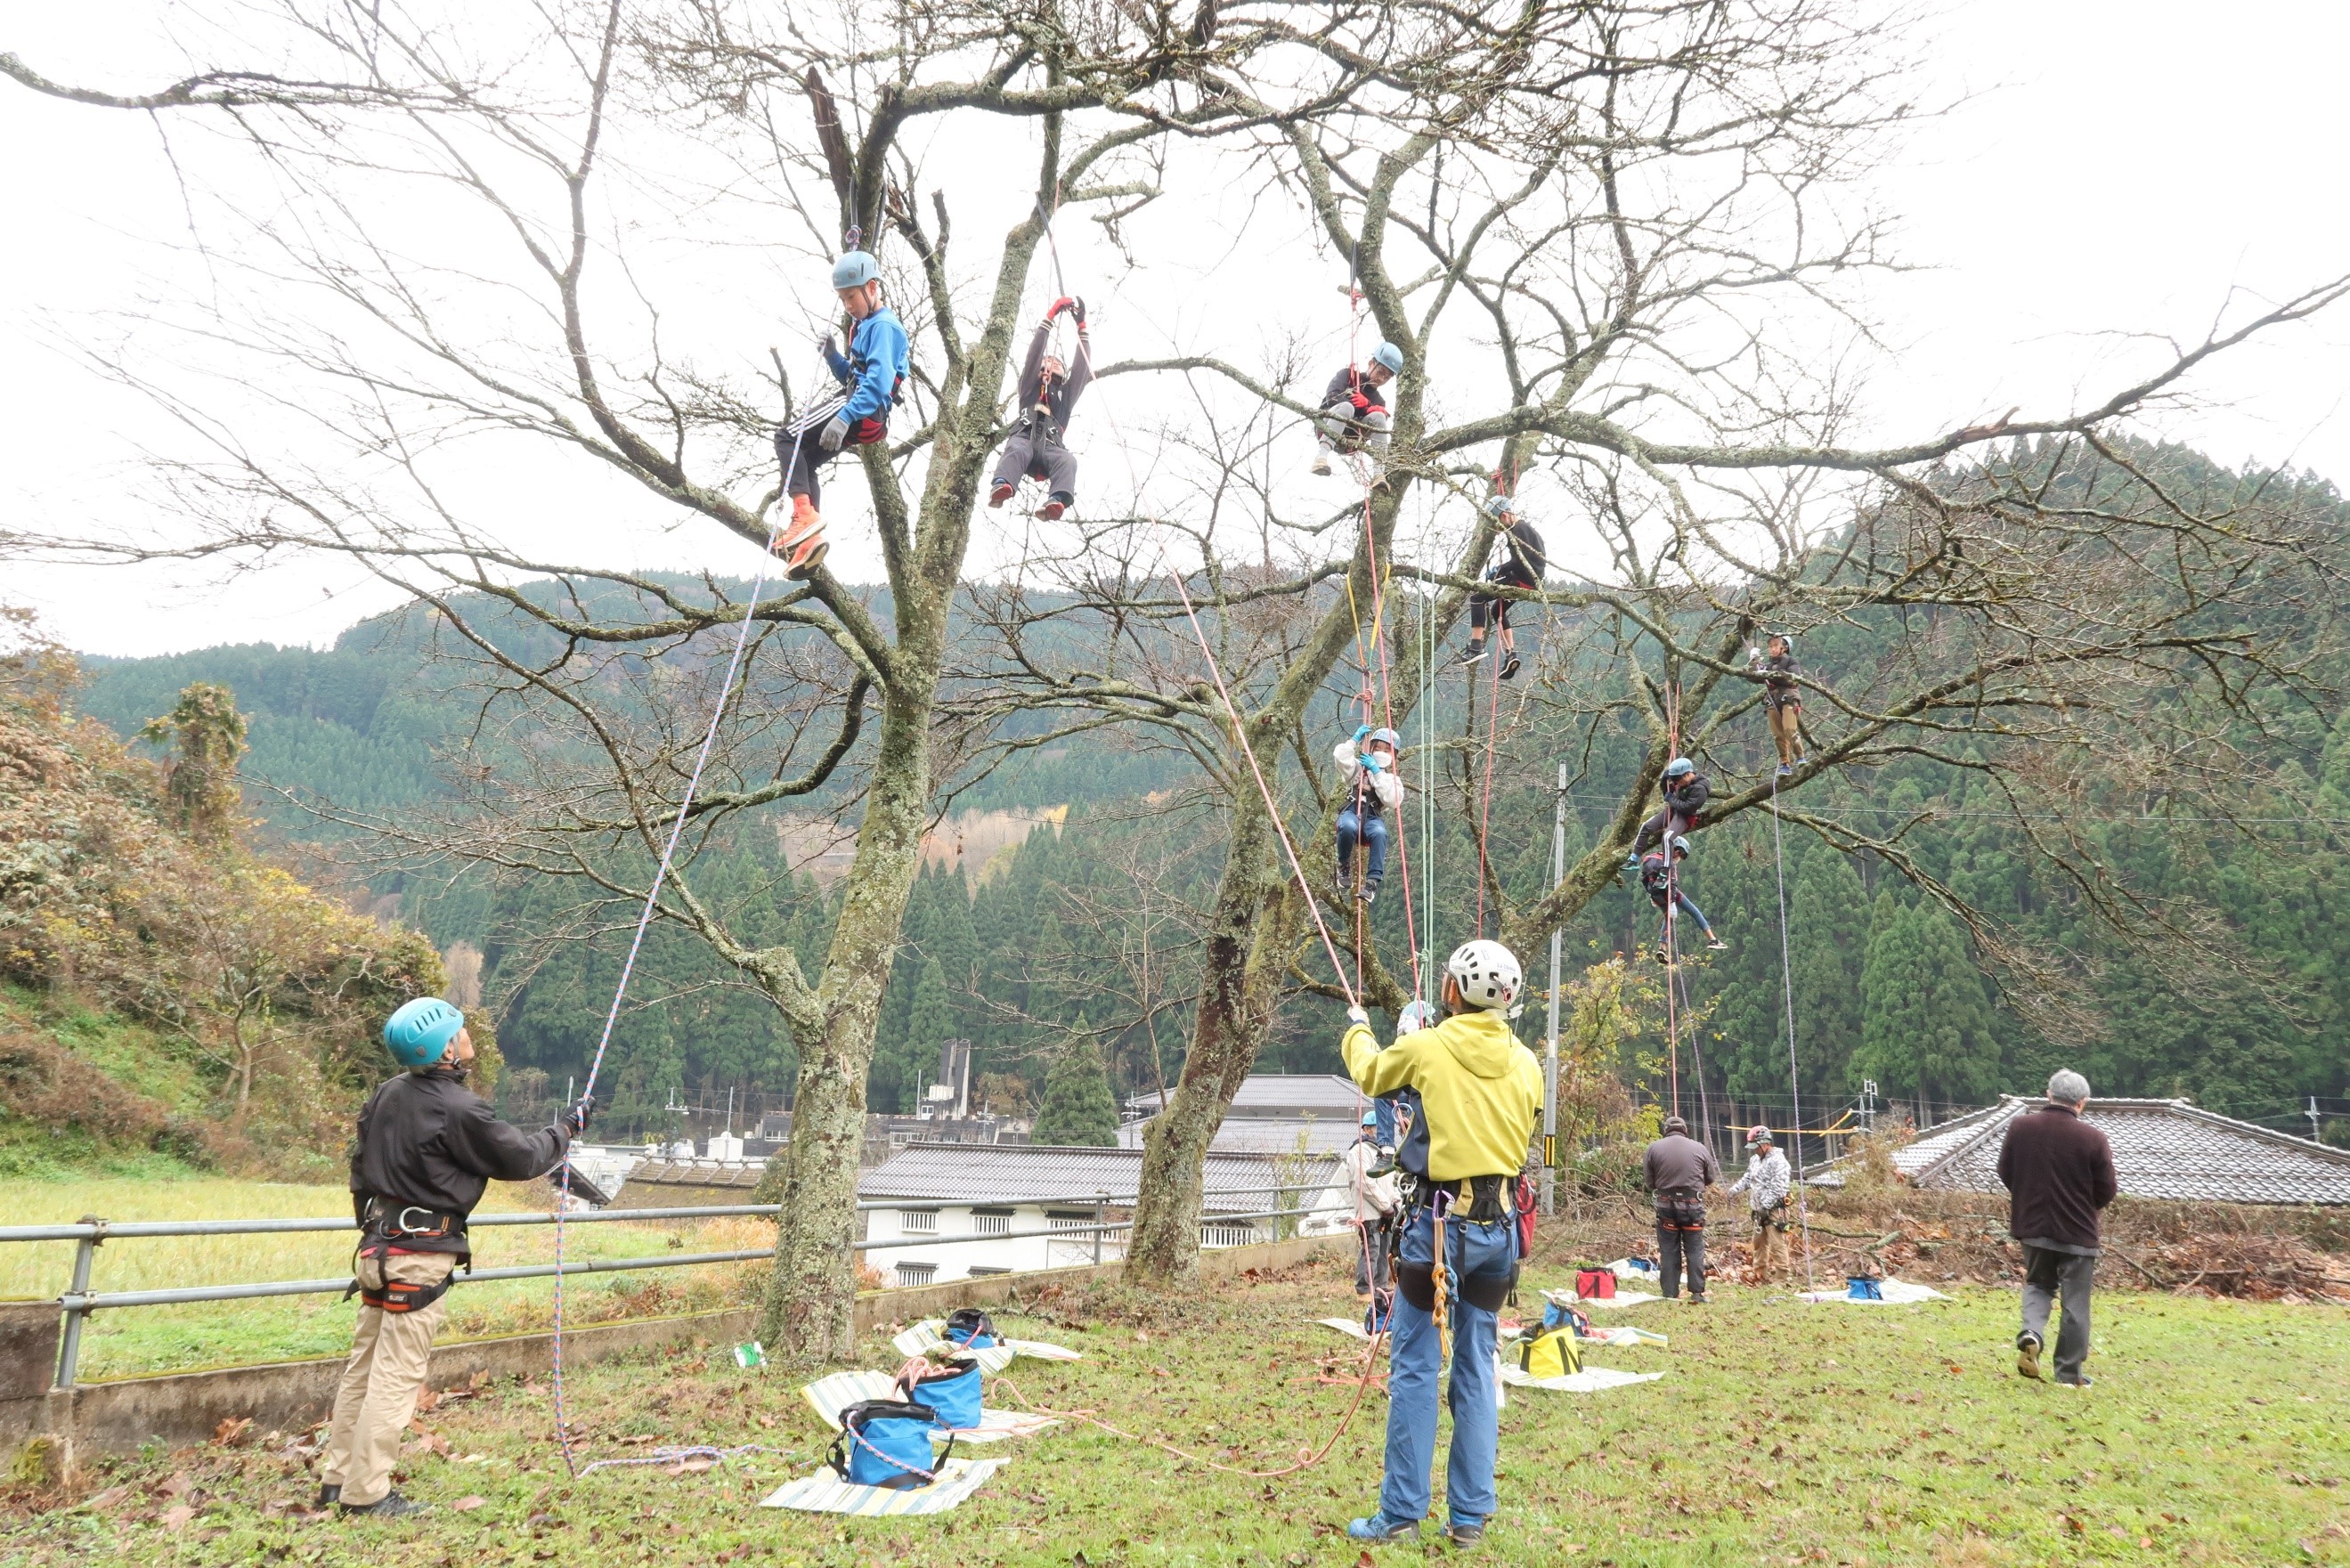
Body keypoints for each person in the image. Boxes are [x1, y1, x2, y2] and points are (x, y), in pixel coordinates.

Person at [320, 998, 591, 1517]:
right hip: (419, 1254)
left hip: (378, 1248)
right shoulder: (459, 1108)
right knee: (395, 1375)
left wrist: (371, 1229)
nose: (467, 1034)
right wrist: (568, 1129)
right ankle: (366, 1494)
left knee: (364, 1368)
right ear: (444, 1046)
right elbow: (522, 1156)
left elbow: (360, 1167)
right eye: (459, 1029)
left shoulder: (387, 1095)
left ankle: (338, 1480)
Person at [1338, 939, 1543, 1547]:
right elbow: (1525, 1121)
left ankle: (1400, 1510)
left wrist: (1356, 1029)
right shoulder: (1527, 1062)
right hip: (1497, 1229)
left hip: (1436, 1227)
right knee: (1477, 1366)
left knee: (1415, 1367)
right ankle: (1470, 1516)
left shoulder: (1428, 1046)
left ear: (1452, 990)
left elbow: (1372, 1072)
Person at [770, 250, 912, 580]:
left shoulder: (884, 326)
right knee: (804, 458)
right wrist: (834, 356)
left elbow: (876, 382)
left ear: (872, 288)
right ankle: (809, 539)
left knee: (785, 438)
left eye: (851, 297)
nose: (848, 305)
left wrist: (846, 415)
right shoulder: (865, 327)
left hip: (862, 406)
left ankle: (804, 516)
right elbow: (854, 374)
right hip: (863, 407)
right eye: (843, 299)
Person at [1996, 1069, 2116, 1387]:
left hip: (2032, 1227)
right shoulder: (2094, 1138)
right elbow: (2107, 1190)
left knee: (2038, 1285)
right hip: (2078, 1234)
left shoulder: (2020, 1127)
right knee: (2075, 1302)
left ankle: (2032, 1332)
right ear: (2082, 1102)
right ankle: (2068, 1375)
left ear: (2048, 1094)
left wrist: (2027, 1198)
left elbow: (2005, 1171)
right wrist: (2084, 1208)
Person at [988, 297, 1092, 521]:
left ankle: (1057, 501)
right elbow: (1034, 355)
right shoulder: (1030, 387)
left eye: (1059, 364)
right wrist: (1049, 318)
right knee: (1016, 450)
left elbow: (1082, 370)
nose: (1053, 363)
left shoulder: (1065, 396)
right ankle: (1002, 485)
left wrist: (1082, 328)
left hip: (1052, 446)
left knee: (1068, 461)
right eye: (1049, 361)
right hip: (1025, 436)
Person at [1455, 496, 1547, 681]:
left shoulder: (1519, 529)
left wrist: (1500, 570)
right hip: (1530, 580)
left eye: (1498, 522)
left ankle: (1475, 647)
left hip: (1522, 578)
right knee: (1497, 610)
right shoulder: (1523, 529)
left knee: (1478, 598)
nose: (1498, 528)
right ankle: (1511, 654)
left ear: (1504, 515)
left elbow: (1521, 560)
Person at [1642, 1115, 1719, 1302]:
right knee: (1694, 1249)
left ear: (1666, 1130)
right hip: (1692, 1207)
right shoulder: (1699, 1148)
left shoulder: (1653, 1148)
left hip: (1666, 1206)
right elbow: (1710, 1177)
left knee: (1668, 1250)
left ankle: (1670, 1293)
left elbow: (1649, 1181)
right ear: (1685, 1130)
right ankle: (1697, 1293)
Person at [1310, 341, 1404, 478]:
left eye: (1387, 377)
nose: (1382, 379)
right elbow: (1332, 396)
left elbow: (1375, 423)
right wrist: (1360, 407)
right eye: (1381, 372)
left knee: (1379, 416)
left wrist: (1367, 406)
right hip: (1327, 427)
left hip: (1352, 439)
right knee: (1346, 407)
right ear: (1371, 363)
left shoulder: (1378, 401)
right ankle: (1321, 457)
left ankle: (1379, 473)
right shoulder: (1348, 376)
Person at [1334, 725, 1404, 905]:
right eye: (1378, 748)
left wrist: (1376, 772)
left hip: (1372, 816)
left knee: (1380, 834)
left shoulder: (1391, 779)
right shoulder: (1358, 769)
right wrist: (1354, 739)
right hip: (1352, 809)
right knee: (1348, 826)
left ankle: (1372, 883)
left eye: (1386, 750)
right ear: (1371, 749)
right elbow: (1341, 758)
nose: (1381, 753)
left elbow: (1392, 799)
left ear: (1393, 755)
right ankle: (1343, 866)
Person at [1342, 1108, 1402, 1297]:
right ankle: (1364, 1287)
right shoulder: (1359, 1151)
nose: (1381, 1132)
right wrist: (1385, 1205)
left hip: (1385, 1208)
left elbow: (1389, 1183)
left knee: (1386, 1247)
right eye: (1377, 1128)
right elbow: (1364, 1182)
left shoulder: (1383, 1153)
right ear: (1367, 1129)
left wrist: (1394, 1203)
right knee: (1371, 1248)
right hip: (1369, 1210)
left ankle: (1380, 1285)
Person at [1638, 835, 1727, 958]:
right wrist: (1673, 903)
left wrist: (1651, 895)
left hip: (1656, 895)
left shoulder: (1649, 859)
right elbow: (1673, 885)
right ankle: (1713, 940)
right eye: (1680, 855)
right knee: (1695, 912)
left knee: (1668, 919)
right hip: (1669, 894)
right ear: (1677, 851)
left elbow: (1644, 878)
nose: (1679, 858)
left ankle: (1662, 949)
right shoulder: (1669, 864)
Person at [1726, 1125, 1793, 1283]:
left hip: (1776, 1210)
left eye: (1756, 1147)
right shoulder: (1755, 1160)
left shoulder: (1779, 1161)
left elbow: (1779, 1187)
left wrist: (1766, 1206)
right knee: (1758, 1243)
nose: (1754, 1150)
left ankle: (1781, 1277)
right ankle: (1760, 1274)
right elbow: (1748, 1179)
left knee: (1777, 1244)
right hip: (1758, 1210)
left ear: (1765, 1144)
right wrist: (1733, 1191)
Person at [1749, 632, 1806, 776]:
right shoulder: (1767, 666)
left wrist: (1769, 673)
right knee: (1778, 735)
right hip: (1772, 700)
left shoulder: (1791, 662)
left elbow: (1793, 679)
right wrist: (1753, 662)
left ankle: (1800, 755)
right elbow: (1752, 677)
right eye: (1770, 647)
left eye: (1775, 646)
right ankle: (1785, 763)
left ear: (1784, 648)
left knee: (1789, 729)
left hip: (1788, 698)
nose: (1772, 649)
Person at [1630, 756, 1711, 857]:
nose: (1676, 782)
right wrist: (1664, 781)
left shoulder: (1699, 789)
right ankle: (1634, 857)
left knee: (1667, 838)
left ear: (1687, 775)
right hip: (1673, 811)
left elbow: (1688, 807)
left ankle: (1665, 867)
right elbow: (1667, 791)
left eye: (1677, 779)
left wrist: (1671, 799)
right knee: (1646, 826)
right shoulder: (1682, 784)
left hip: (1685, 817)